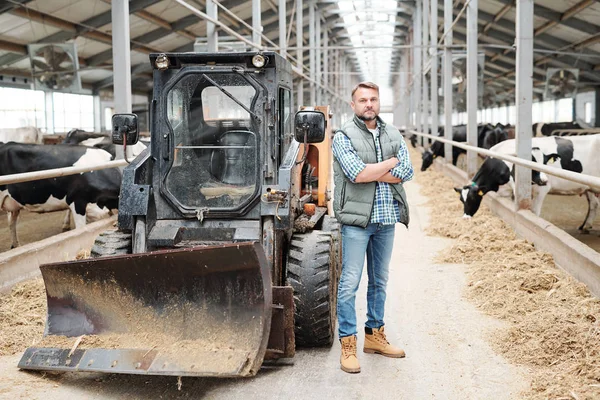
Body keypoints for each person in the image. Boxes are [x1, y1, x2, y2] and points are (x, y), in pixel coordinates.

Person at [332, 81, 414, 374]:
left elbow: (407, 171)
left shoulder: (393, 133)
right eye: (363, 100)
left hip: (386, 219)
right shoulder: (343, 135)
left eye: (373, 99)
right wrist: (389, 163)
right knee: (350, 283)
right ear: (353, 105)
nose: (369, 104)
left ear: (379, 103)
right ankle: (348, 344)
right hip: (357, 222)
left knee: (380, 281)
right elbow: (356, 174)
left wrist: (374, 171)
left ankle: (375, 336)